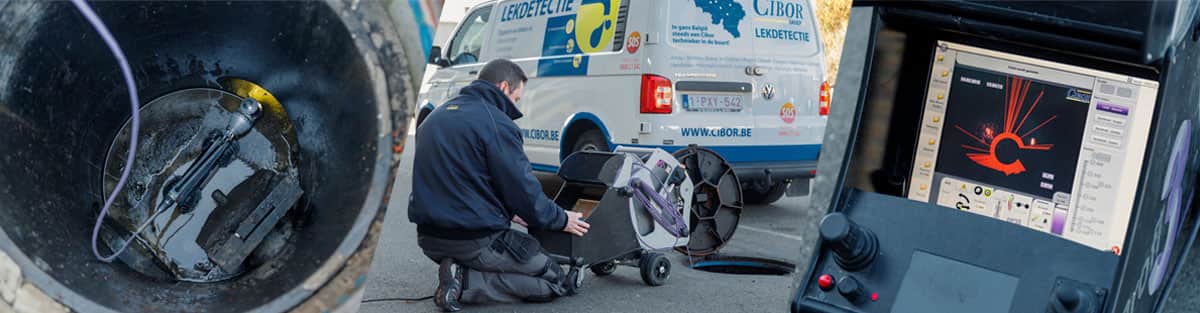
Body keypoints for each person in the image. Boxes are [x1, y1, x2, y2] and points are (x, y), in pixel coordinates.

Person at [408, 59, 591, 312]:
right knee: (554, 277)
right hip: (475, 241)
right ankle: (466, 282)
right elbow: (526, 193)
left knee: (514, 259)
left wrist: (507, 210)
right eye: (516, 99)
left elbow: (460, 179)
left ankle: (459, 270)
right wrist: (562, 219)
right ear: (504, 87)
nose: (515, 106)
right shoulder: (496, 123)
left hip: (429, 238)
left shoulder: (434, 118)